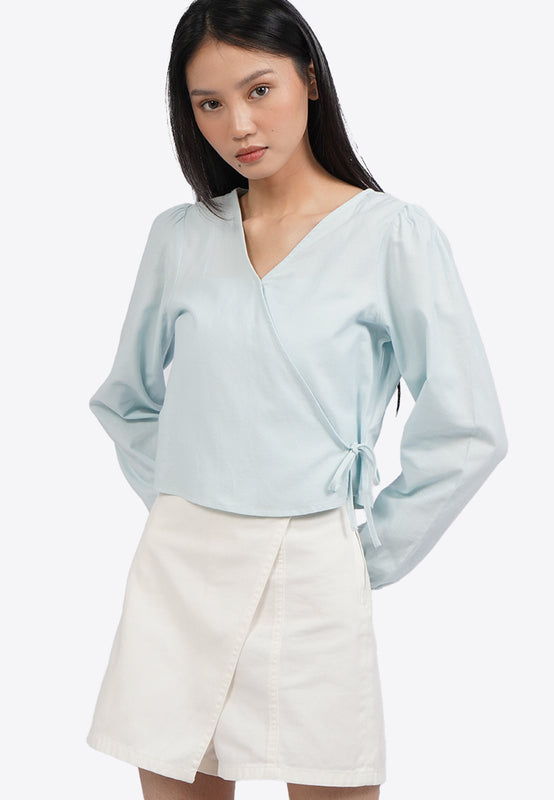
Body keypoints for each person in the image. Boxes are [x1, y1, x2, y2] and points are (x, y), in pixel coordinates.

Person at [85, 1, 509, 799]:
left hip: (314, 570)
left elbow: (468, 428)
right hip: (179, 573)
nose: (238, 124)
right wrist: (180, 498)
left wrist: (366, 552)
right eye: (209, 103)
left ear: (309, 79)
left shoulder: (393, 235)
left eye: (259, 89)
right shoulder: (179, 237)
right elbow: (125, 401)